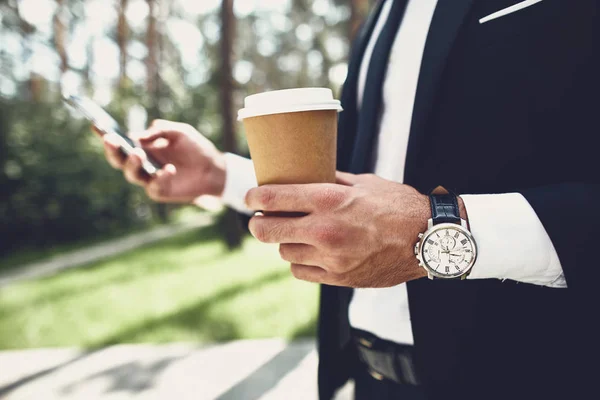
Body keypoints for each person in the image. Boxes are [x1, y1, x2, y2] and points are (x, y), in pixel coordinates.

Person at [102, 0, 600, 399]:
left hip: (529, 377)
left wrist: (435, 229)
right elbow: (366, 183)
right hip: (369, 380)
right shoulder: (384, 11)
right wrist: (218, 175)